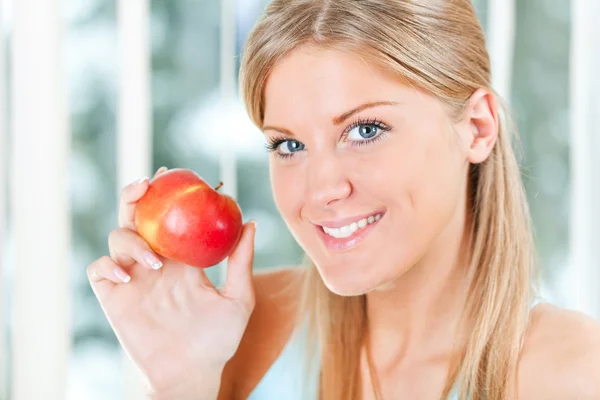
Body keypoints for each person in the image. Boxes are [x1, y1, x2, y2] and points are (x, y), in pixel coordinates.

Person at [87, 1, 600, 399]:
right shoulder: (238, 331)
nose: (321, 190)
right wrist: (182, 386)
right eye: (289, 145)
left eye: (365, 130)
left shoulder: (573, 371)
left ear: (477, 128)